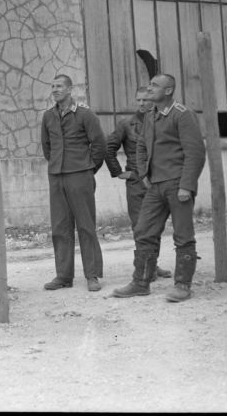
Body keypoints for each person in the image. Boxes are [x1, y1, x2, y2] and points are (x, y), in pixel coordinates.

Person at [112, 74, 206, 302]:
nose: (150, 88)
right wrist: (144, 173)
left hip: (177, 184)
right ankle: (141, 282)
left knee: (183, 235)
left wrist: (187, 185)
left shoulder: (182, 115)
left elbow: (195, 153)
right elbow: (142, 146)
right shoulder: (151, 115)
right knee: (144, 230)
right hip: (155, 185)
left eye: (155, 85)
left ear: (168, 90)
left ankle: (182, 285)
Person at [40, 74, 107, 292]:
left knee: (86, 225)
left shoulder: (85, 114)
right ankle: (63, 276)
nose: (55, 89)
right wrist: (57, 165)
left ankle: (92, 275)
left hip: (80, 174)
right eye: (53, 86)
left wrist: (88, 169)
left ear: (70, 89)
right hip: (57, 175)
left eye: (59, 86)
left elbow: (99, 144)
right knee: (60, 227)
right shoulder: (48, 116)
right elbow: (46, 146)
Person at [105, 86, 171, 280]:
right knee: (140, 226)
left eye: (146, 100)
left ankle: (152, 264)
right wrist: (120, 173)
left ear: (153, 100)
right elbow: (108, 148)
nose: (142, 104)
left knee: (156, 225)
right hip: (136, 183)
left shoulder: (162, 121)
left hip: (158, 180)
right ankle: (142, 268)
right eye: (138, 100)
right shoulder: (126, 124)